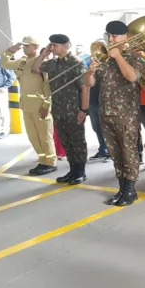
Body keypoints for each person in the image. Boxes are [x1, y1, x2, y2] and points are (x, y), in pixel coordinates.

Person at [86, 21, 145, 206]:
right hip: (107, 114)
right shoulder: (104, 60)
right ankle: (122, 188)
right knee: (115, 153)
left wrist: (119, 57)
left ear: (125, 37)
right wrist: (90, 72)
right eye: (109, 36)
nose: (111, 39)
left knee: (129, 153)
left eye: (115, 36)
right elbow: (89, 84)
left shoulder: (134, 57)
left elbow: (132, 77)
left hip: (126, 115)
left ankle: (131, 190)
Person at [32, 34, 89, 185]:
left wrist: (83, 110)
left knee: (77, 141)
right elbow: (35, 67)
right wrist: (44, 54)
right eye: (51, 45)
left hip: (73, 110)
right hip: (58, 109)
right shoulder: (53, 63)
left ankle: (80, 172)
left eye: (55, 45)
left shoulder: (75, 63)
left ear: (66, 45)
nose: (52, 48)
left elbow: (85, 88)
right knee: (66, 140)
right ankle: (72, 170)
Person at [0, 36, 57, 175]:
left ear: (36, 47)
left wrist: (47, 105)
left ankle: (51, 162)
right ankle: (42, 160)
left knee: (44, 136)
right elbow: (3, 63)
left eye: (27, 46)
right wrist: (12, 49)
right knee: (33, 136)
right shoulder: (22, 62)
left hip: (40, 105)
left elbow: (48, 85)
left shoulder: (43, 62)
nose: (24, 48)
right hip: (26, 105)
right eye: (23, 46)